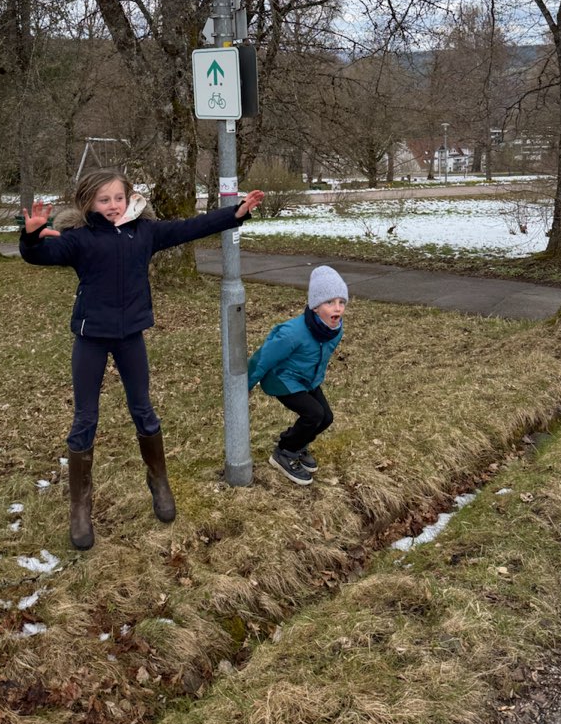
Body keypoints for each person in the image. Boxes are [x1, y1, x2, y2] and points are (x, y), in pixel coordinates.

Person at [20, 169, 264, 549]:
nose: (113, 206)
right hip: (91, 338)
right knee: (85, 417)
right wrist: (31, 237)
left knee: (144, 410)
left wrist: (236, 212)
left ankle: (159, 481)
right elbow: (41, 254)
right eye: (104, 200)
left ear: (129, 198)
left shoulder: (144, 233)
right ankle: (80, 508)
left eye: (118, 198)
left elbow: (190, 227)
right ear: (89, 205)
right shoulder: (79, 240)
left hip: (130, 335)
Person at [247, 265, 348, 487]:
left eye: (341, 302)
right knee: (314, 413)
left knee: (326, 417)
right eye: (330, 302)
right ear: (314, 306)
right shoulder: (292, 333)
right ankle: (284, 453)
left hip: (307, 379)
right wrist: (244, 385)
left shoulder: (334, 329)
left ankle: (296, 443)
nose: (337, 308)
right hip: (282, 379)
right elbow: (263, 358)